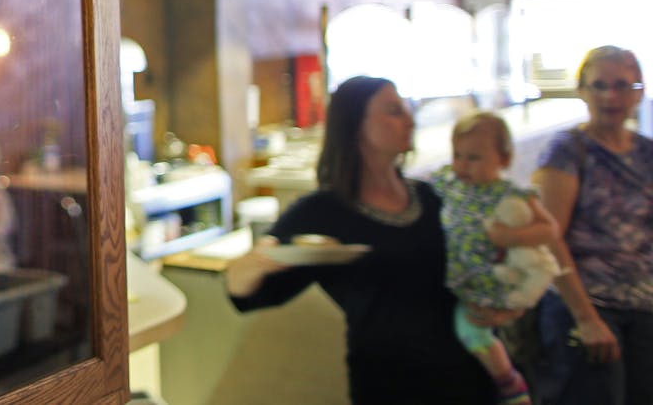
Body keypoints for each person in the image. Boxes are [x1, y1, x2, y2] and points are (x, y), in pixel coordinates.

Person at [225, 76, 509, 404]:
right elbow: (250, 294)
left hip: (469, 373)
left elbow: (477, 267)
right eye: (394, 111)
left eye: (406, 109)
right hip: (390, 384)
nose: (409, 119)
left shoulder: (431, 197)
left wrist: (500, 307)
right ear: (355, 126)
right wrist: (248, 267)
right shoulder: (323, 212)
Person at [530, 45, 653, 405]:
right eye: (599, 86)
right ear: (581, 90)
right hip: (585, 308)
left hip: (643, 308)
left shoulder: (647, 153)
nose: (610, 96)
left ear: (639, 91)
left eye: (622, 85)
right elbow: (549, 238)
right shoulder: (567, 150)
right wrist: (586, 319)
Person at [429, 111, 561, 405]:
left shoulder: (509, 193)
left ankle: (509, 381)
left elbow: (549, 229)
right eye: (457, 155)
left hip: (491, 280)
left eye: (473, 158)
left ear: (503, 159)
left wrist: (511, 238)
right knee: (467, 332)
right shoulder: (450, 184)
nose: (462, 165)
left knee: (472, 330)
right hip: (461, 278)